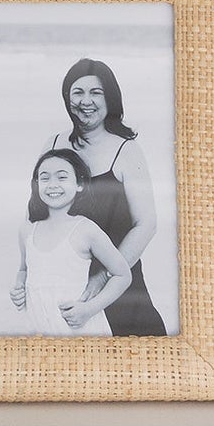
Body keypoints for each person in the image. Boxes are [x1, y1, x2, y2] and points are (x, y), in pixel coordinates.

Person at [45, 58, 166, 335]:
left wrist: (103, 276)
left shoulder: (126, 150)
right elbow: (37, 215)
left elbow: (146, 224)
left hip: (120, 285)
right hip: (64, 286)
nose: (86, 101)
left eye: (96, 92)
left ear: (110, 98)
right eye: (78, 92)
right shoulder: (53, 145)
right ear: (67, 98)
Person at [9, 149, 131, 336]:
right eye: (45, 178)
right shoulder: (27, 230)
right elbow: (24, 269)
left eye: (62, 177)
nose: (53, 185)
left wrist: (89, 309)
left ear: (79, 184)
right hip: (38, 328)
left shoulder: (86, 229)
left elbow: (122, 275)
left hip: (79, 329)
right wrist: (19, 287)